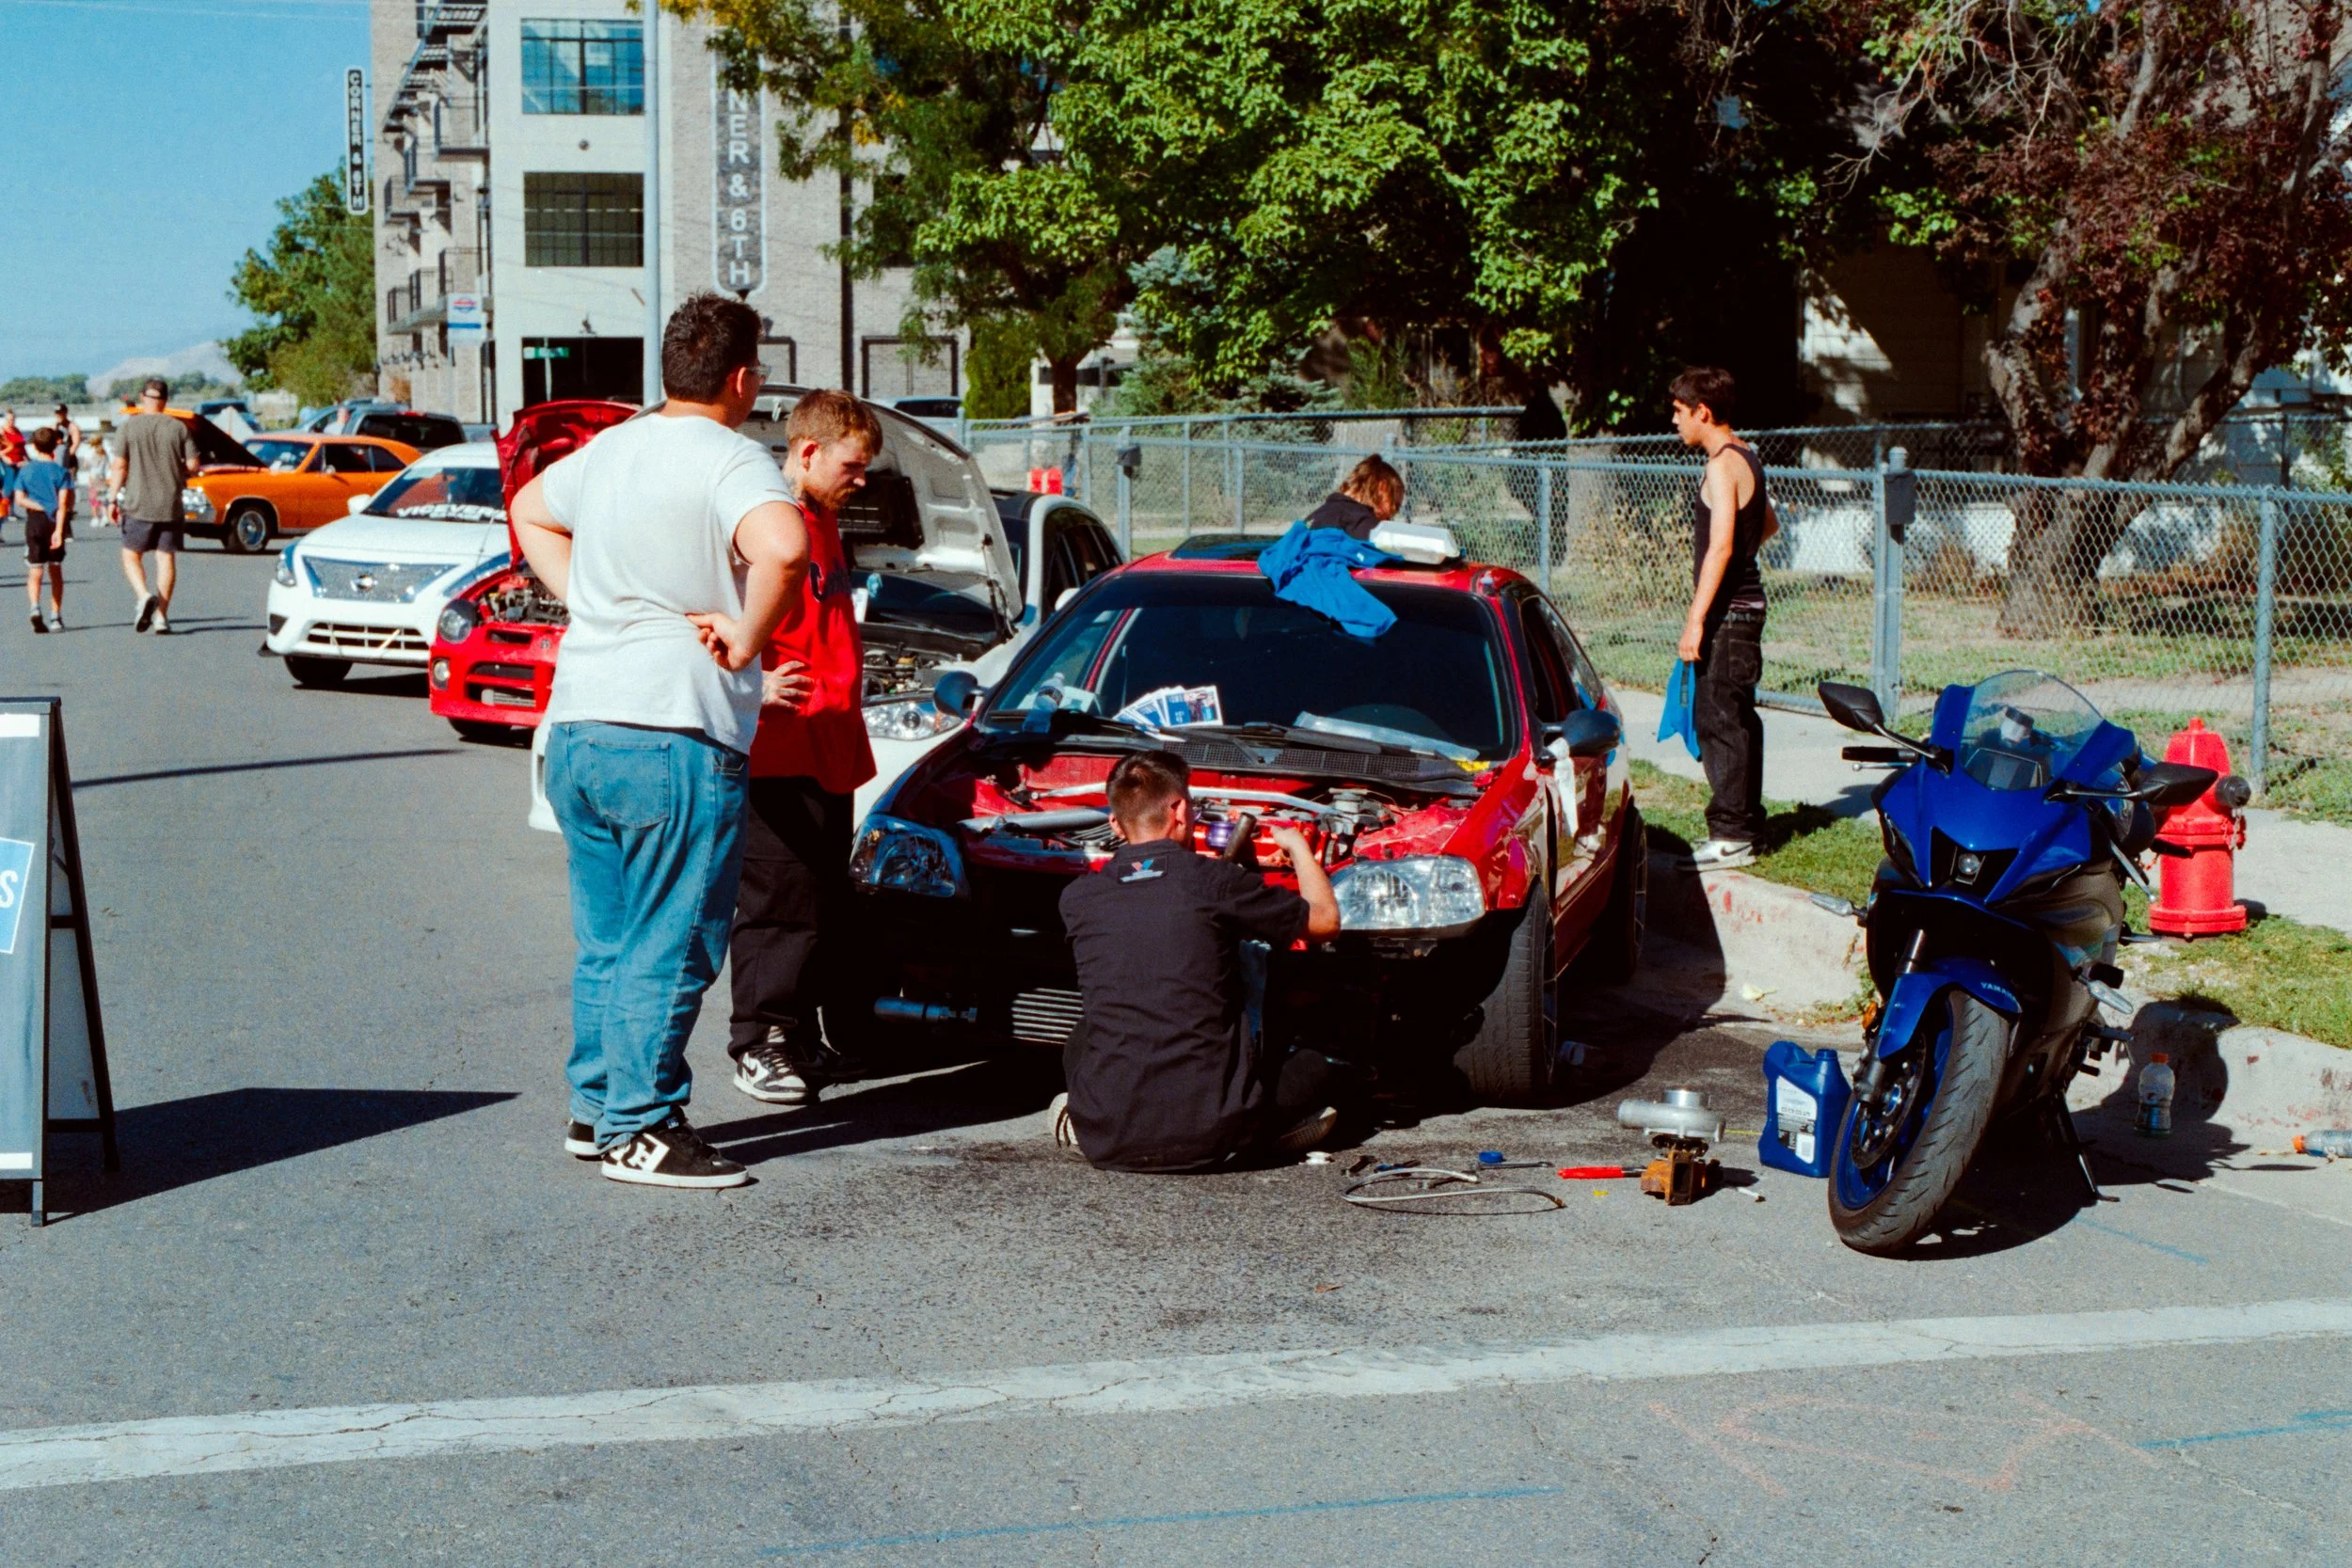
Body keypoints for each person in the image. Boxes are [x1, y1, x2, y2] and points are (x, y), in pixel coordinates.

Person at [511, 292, 810, 1190]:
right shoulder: (732, 459)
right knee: (674, 938)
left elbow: (528, 507)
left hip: (579, 726)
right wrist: (749, 637)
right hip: (673, 731)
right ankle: (639, 1126)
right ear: (744, 378)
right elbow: (786, 545)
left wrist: (593, 600)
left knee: (609, 936)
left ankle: (598, 1105)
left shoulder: (613, 448)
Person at [1054, 750, 1345, 1173]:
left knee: (1086, 1033)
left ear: (1115, 824)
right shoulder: (1214, 881)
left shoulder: (1077, 899)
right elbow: (1325, 922)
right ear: (1180, 809)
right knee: (1315, 1067)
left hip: (1107, 1140)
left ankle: (1081, 1116)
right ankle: (1267, 1136)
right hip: (1214, 1138)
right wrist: (1298, 848)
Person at [726, 389, 882, 1109]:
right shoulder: (766, 518)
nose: (863, 478)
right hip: (779, 748)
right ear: (809, 451)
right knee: (777, 901)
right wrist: (751, 676)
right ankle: (760, 1042)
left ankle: (803, 1033)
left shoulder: (822, 520)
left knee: (819, 899)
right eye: (854, 463)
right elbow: (707, 610)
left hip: (828, 747)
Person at [1670, 366, 1779, 871]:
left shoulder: (1720, 464)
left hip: (1729, 616)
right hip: (1745, 610)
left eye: (1678, 411)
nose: (1675, 421)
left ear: (1702, 412)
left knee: (1719, 719)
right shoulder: (1747, 457)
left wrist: (1696, 619)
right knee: (1736, 719)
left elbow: (1720, 548)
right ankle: (1745, 824)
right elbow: (1769, 523)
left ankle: (1732, 835)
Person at [108, 379, 198, 634]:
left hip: (138, 502)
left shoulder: (128, 427)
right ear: (166, 400)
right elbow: (193, 465)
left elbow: (119, 466)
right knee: (165, 558)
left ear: (142, 397)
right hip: (170, 503)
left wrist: (112, 498)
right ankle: (162, 617)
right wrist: (175, 470)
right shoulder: (178, 428)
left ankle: (143, 594)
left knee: (130, 555)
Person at [16, 427, 75, 632]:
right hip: (54, 522)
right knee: (56, 570)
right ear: (55, 445)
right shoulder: (61, 472)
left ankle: (34, 606)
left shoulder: (26, 470)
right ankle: (55, 615)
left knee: (35, 569)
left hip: (34, 522)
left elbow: (20, 499)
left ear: (33, 446)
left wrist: (39, 506)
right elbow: (64, 503)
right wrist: (60, 530)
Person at [1301, 454, 1404, 539]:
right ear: (1383, 488)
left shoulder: (1312, 519)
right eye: (1395, 504)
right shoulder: (1368, 528)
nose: (1390, 518)